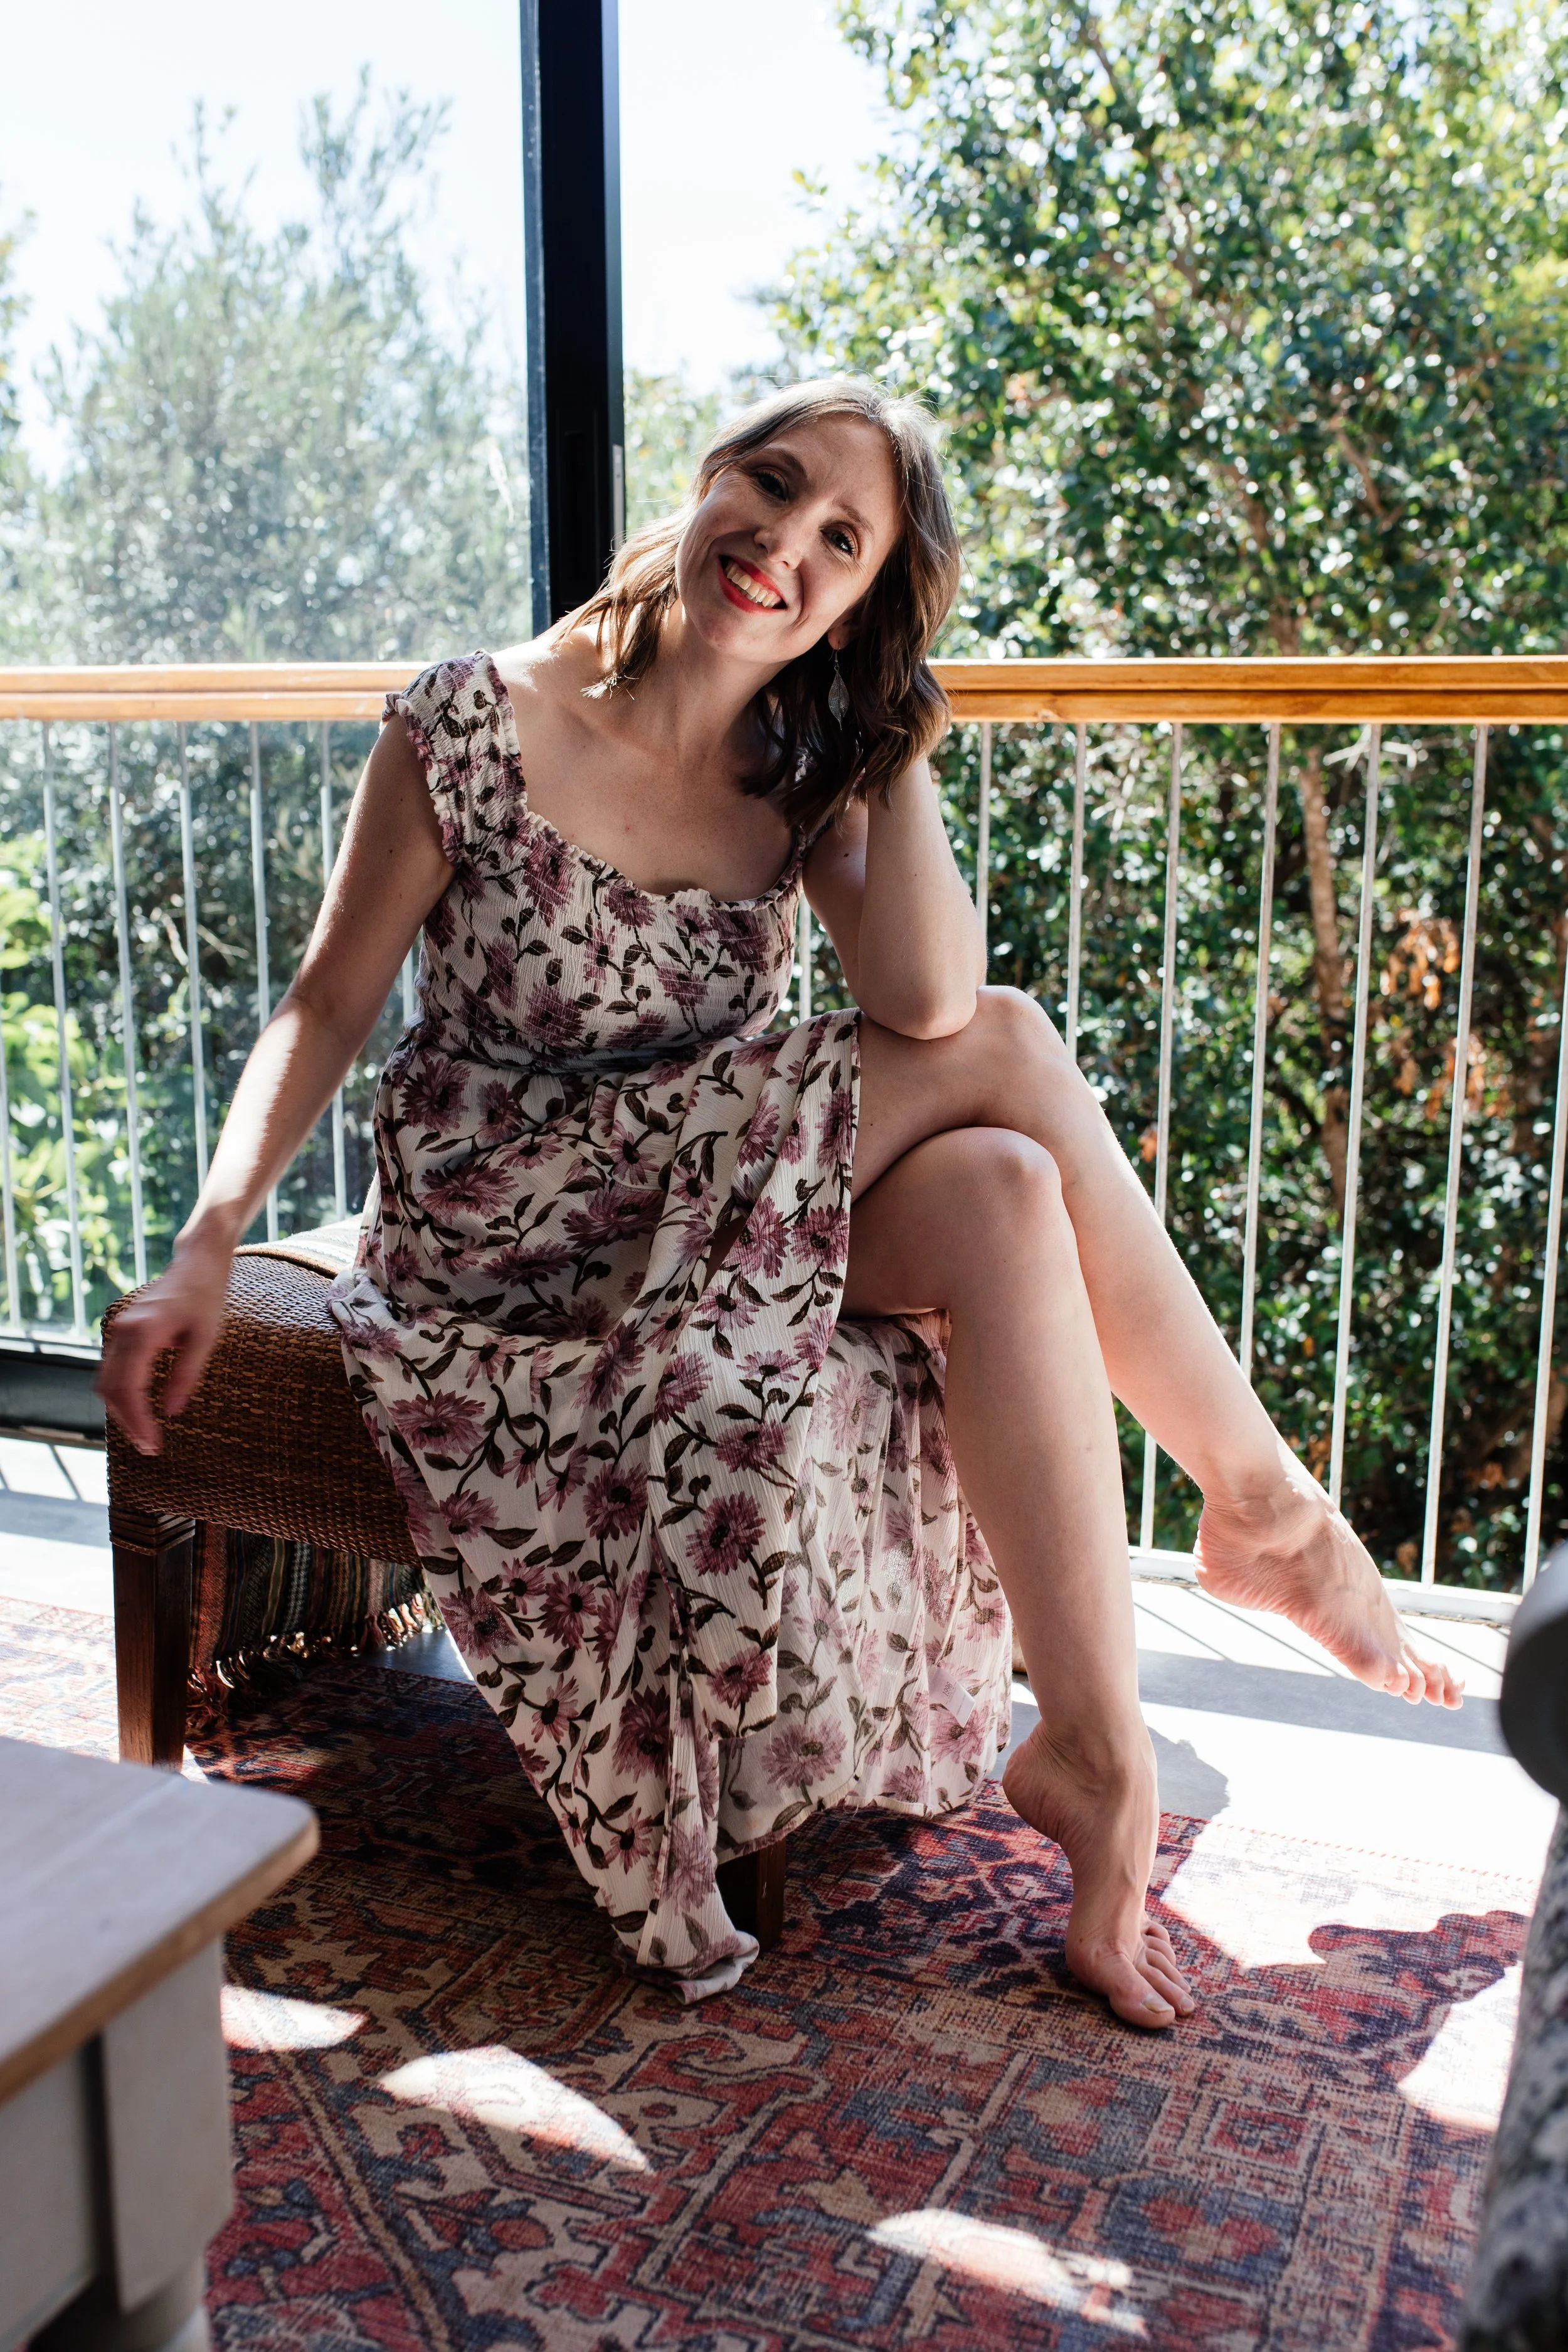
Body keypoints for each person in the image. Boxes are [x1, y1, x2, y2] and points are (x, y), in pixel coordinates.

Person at [97, 377, 1462, 2027]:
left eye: (844, 543)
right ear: (708, 474)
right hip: (505, 1222)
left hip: (705, 1197)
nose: (785, 547)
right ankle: (1262, 1513)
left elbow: (925, 998)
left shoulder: (805, 764)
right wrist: (209, 1238)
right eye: (773, 484)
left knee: (1003, 1185)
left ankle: (1094, 1755)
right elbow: (322, 1005)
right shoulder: (468, 718)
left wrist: (888, 740)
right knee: (1018, 1060)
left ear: (867, 602)